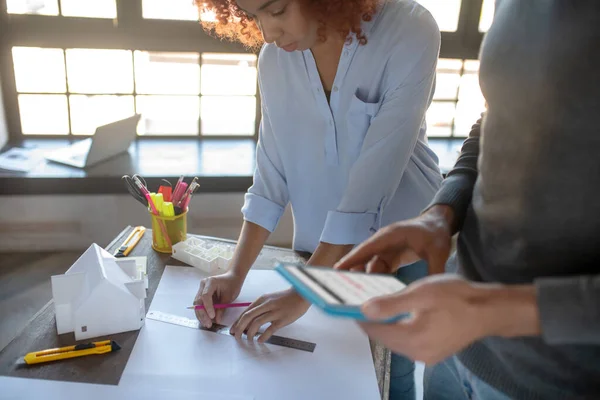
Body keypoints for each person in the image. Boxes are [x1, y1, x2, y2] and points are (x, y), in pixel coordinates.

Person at [335, 0, 600, 398]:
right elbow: (498, 115)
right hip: (459, 350)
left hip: (558, 380)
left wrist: (490, 310)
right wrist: (442, 212)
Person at [193, 0, 443, 398]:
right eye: (253, 16)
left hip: (404, 242)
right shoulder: (275, 61)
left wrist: (307, 290)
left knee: (388, 376)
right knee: (327, 376)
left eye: (275, 10)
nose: (268, 33)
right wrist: (234, 273)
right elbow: (271, 175)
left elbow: (371, 183)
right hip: (322, 253)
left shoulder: (410, 31)